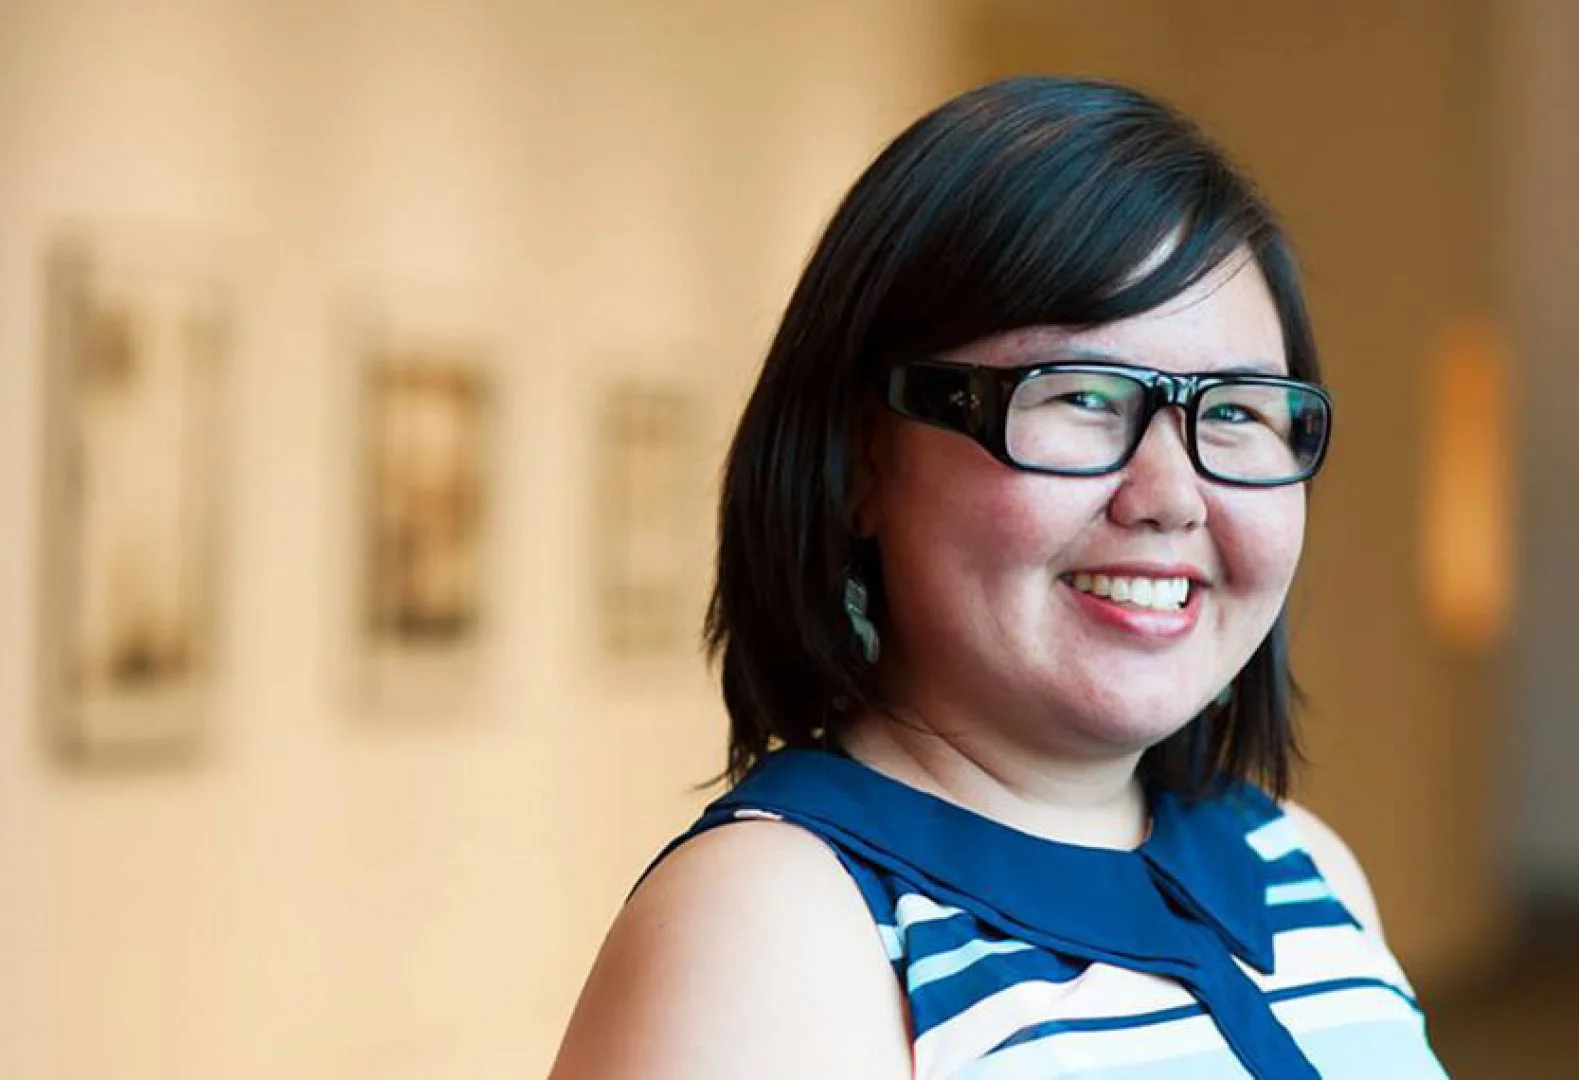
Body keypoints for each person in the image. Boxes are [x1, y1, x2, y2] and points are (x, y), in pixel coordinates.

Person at [550, 75, 1449, 1079]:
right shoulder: (772, 927)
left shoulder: (1303, 866)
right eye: (1080, 396)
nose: (1172, 494)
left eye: (1236, 411)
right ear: (861, 462)